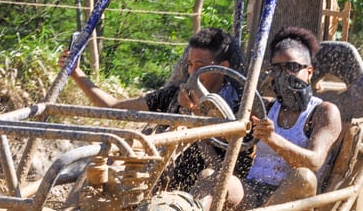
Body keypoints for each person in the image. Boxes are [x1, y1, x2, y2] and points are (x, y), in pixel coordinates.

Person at [191, 26, 342, 211]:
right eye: (278, 68)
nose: (285, 75)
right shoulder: (265, 107)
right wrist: (199, 127)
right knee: (213, 177)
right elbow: (225, 130)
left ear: (309, 72)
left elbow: (314, 162)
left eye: (292, 67)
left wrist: (272, 138)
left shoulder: (323, 111)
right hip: (255, 191)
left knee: (303, 177)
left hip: (297, 202)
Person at [58, 27, 251, 190]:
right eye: (190, 65)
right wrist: (76, 72)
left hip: (198, 189)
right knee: (103, 165)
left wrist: (194, 115)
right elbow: (112, 106)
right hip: (155, 175)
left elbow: (228, 164)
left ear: (223, 67)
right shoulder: (174, 95)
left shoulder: (240, 107)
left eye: (200, 66)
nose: (193, 72)